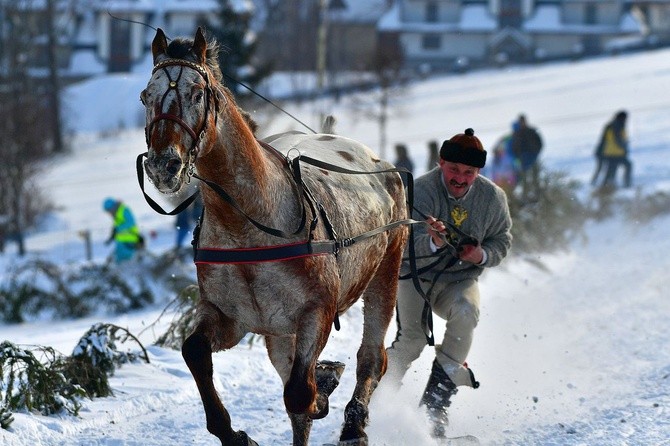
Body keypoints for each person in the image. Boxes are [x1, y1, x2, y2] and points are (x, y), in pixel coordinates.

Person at [383, 128, 512, 439]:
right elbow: (399, 243)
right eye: (454, 169)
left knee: (467, 312)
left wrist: (481, 254)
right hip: (415, 276)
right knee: (412, 340)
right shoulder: (419, 191)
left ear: (478, 172)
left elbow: (502, 242)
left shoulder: (493, 198)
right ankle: (372, 403)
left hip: (460, 279)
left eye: (468, 172)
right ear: (441, 162)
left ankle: (435, 407)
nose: (460, 178)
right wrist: (434, 243)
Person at [594, 110, 632, 188]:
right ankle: (626, 184)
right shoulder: (618, 125)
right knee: (618, 169)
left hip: (611, 152)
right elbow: (618, 140)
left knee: (611, 171)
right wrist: (624, 147)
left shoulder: (611, 125)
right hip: (615, 153)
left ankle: (605, 187)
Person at [510, 114, 543, 199]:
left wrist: (535, 153)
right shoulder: (517, 134)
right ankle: (525, 197)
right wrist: (518, 157)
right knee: (524, 179)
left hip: (533, 157)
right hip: (523, 159)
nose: (522, 123)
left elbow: (540, 144)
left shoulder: (532, 131)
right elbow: (513, 147)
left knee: (535, 177)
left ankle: (537, 196)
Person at [103, 197, 142, 263]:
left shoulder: (124, 210)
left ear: (112, 207)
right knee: (118, 260)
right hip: (121, 242)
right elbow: (117, 226)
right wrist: (112, 235)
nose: (109, 213)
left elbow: (130, 223)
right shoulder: (116, 214)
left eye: (108, 211)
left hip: (129, 240)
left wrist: (118, 228)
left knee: (127, 261)